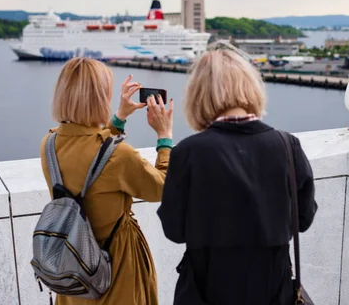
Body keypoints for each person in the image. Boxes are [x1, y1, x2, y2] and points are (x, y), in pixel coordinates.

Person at [157, 47, 318, 305]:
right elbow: (303, 219)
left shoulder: (188, 153)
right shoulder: (288, 146)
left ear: (199, 95)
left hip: (206, 290)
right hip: (271, 289)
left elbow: (174, 230)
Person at [39, 57, 174, 305]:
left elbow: (93, 158)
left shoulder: (49, 144)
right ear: (99, 98)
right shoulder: (120, 156)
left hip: (73, 269)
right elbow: (163, 187)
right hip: (115, 271)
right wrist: (164, 138)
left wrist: (119, 118)